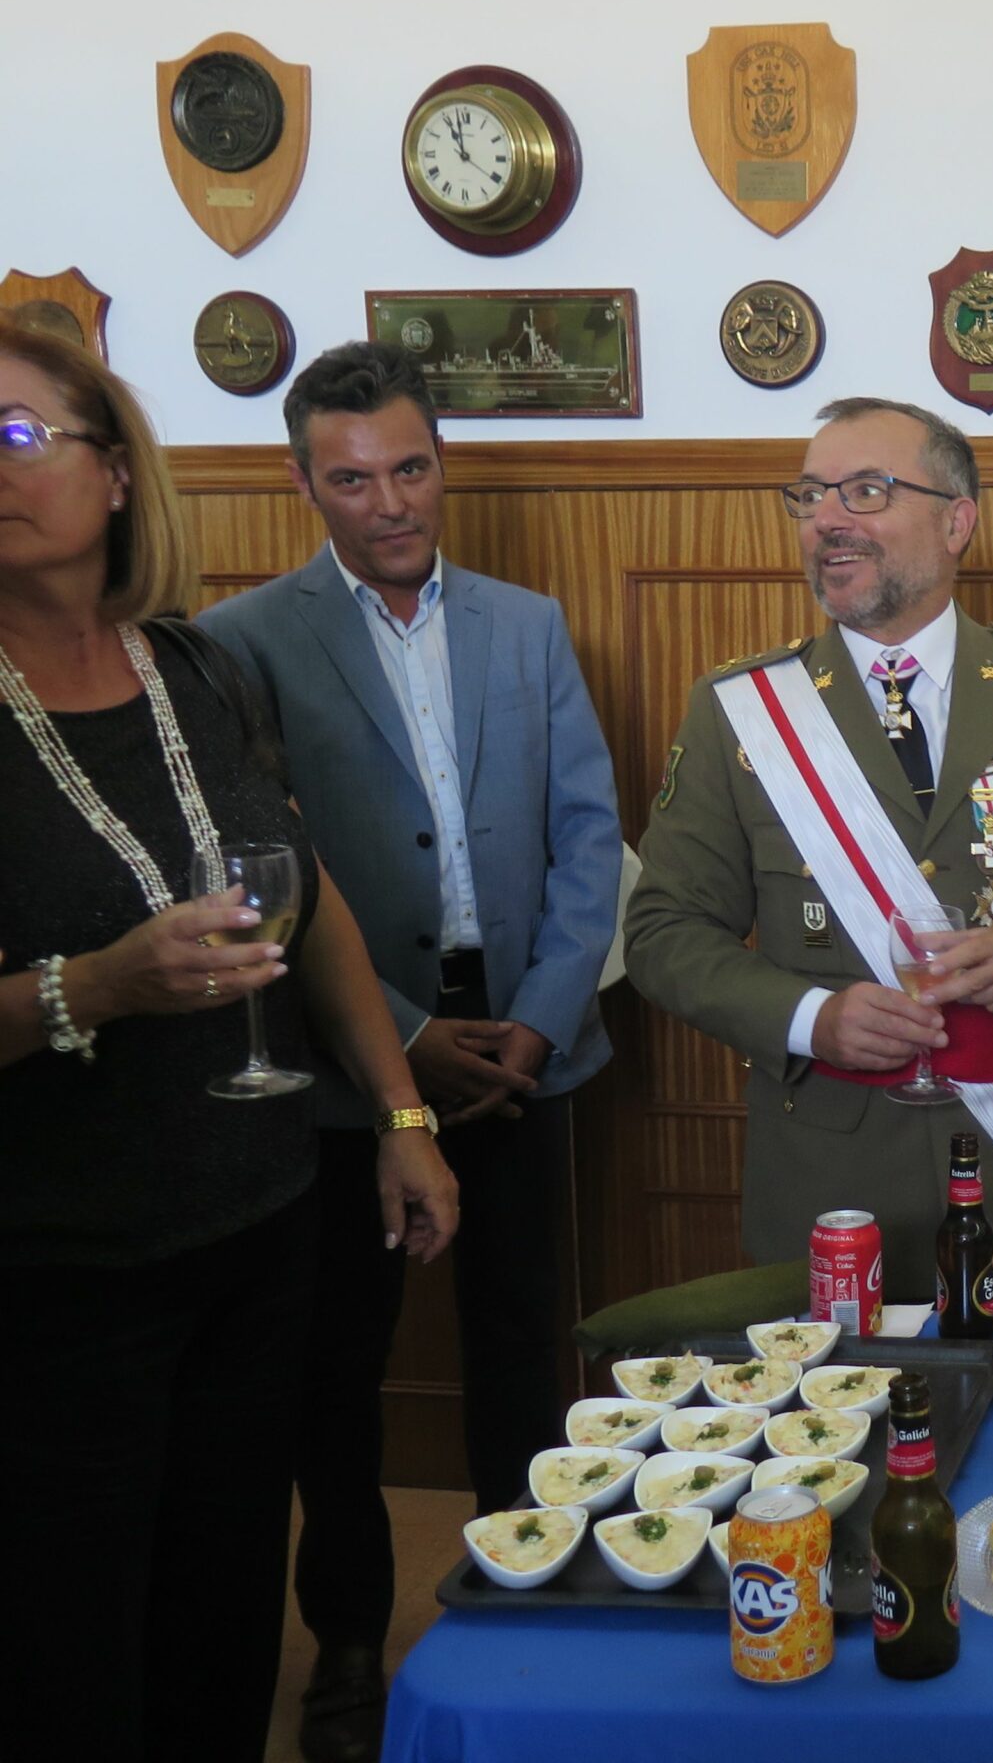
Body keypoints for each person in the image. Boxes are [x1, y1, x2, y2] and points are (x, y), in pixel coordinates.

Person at [0, 321, 457, 1763]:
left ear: (119, 471)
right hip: (62, 1273)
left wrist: (397, 1112)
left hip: (257, 1229)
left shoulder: (194, 670)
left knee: (220, 1612)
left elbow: (304, 900)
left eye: (17, 437)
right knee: (72, 1646)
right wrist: (98, 990)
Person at [194, 341, 620, 1763]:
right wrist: (410, 1043)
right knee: (338, 1386)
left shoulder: (529, 624)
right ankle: (357, 1647)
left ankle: (524, 1612)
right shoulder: (243, 643)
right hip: (345, 1078)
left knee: (521, 1356)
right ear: (304, 480)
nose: (390, 503)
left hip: (526, 1052)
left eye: (413, 468)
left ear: (444, 461)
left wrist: (540, 1022)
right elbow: (269, 879)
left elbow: (586, 849)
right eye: (353, 478)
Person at [623, 397, 993, 1295]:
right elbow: (660, 933)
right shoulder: (743, 712)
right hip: (832, 1176)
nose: (826, 519)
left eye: (866, 490)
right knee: (848, 1431)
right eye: (809, 496)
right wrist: (814, 1017)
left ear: (957, 521)